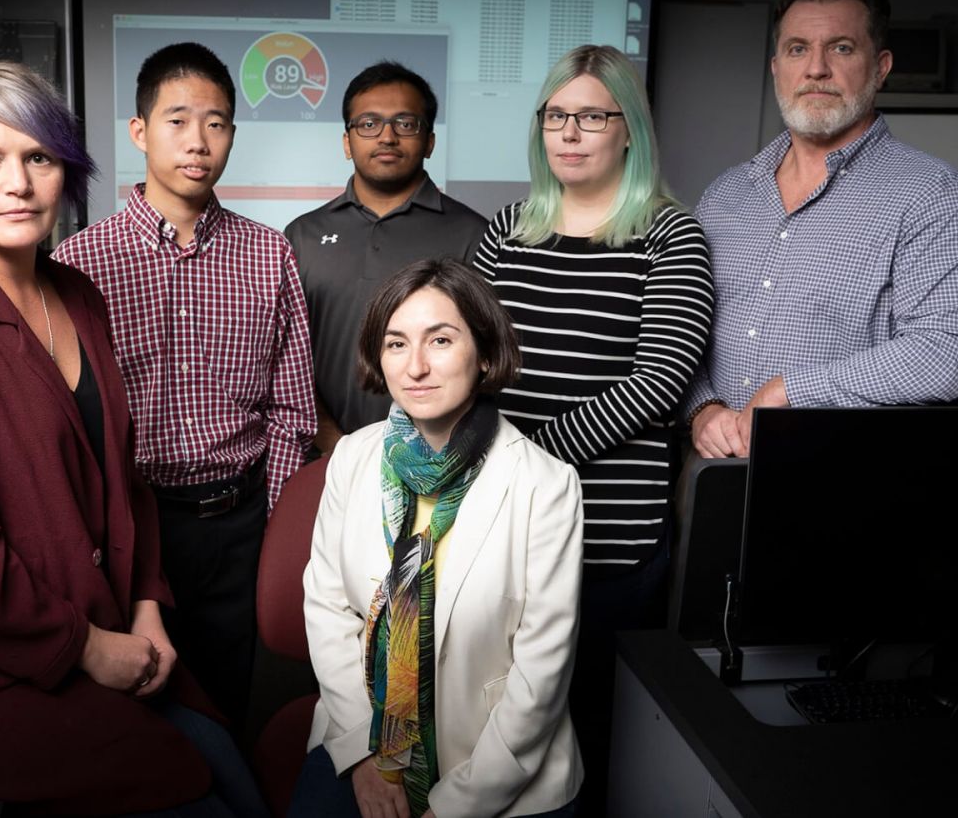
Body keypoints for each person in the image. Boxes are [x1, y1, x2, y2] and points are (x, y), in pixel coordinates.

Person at [0, 61, 265, 816]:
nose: (19, 183)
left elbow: (121, 480)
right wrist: (86, 648)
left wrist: (144, 605)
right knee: (196, 795)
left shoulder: (76, 294)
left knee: (238, 778)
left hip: (115, 622)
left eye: (38, 157)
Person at [471, 43, 714, 810]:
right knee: (496, 728)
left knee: (594, 738)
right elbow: (463, 356)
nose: (570, 132)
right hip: (499, 529)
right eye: (555, 115)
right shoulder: (509, 227)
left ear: (629, 131)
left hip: (606, 538)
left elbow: (660, 382)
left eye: (591, 116)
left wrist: (522, 460)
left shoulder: (671, 236)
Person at [52, 42, 315, 731]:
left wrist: (272, 518)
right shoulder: (79, 263)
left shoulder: (270, 253)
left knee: (228, 703)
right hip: (130, 528)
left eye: (218, 122)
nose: (198, 141)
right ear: (139, 132)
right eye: (177, 120)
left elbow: (292, 405)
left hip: (240, 521)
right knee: (138, 712)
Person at [292, 259, 584, 818]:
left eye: (441, 340)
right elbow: (328, 608)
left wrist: (456, 806)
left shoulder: (545, 485)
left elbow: (541, 674)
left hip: (497, 761)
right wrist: (361, 758)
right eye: (396, 344)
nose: (416, 367)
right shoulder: (353, 457)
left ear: (485, 353)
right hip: (363, 734)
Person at [683, 0, 958, 459]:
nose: (817, 69)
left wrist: (790, 393)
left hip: (840, 480)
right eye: (798, 49)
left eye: (842, 48)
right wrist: (703, 408)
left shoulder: (935, 196)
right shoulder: (725, 195)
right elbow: (684, 330)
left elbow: (941, 354)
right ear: (776, 66)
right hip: (713, 476)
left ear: (881, 66)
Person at [285, 61, 487, 454]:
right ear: (347, 141)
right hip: (321, 456)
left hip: (438, 460)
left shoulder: (473, 235)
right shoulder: (302, 235)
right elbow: (283, 358)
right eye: (369, 124)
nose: (387, 137)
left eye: (405, 123)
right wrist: (333, 446)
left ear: (429, 140)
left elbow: (485, 361)